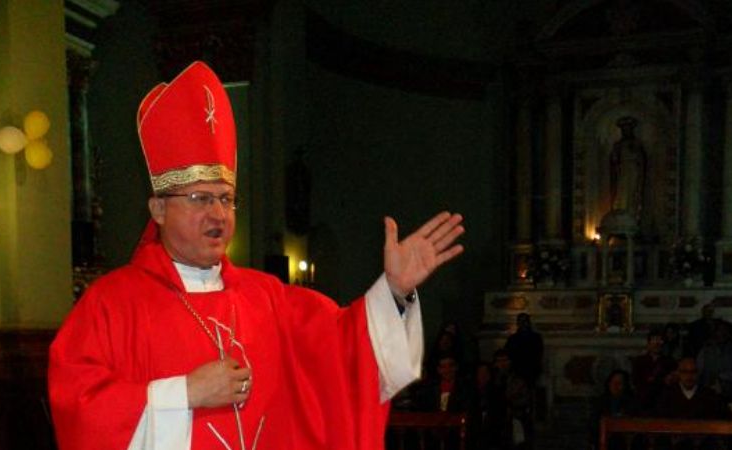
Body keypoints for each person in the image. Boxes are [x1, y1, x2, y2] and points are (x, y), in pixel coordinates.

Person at [48, 61, 465, 450]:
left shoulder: (269, 298)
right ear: (158, 209)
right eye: (199, 198)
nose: (218, 214)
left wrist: (394, 290)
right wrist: (184, 394)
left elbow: (345, 352)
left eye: (226, 199)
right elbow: (80, 411)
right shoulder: (111, 305)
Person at [609, 116, 647, 220]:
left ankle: (632, 214)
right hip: (621, 172)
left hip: (633, 171)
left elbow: (641, 160)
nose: (626, 131)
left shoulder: (637, 144)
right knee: (621, 193)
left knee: (632, 192)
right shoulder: (618, 145)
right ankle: (620, 213)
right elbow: (614, 160)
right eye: (624, 129)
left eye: (628, 129)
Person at [588, 369, 637, 450]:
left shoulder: (631, 402)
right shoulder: (601, 401)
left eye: (619, 383)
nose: (615, 385)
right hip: (604, 441)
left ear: (625, 385)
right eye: (613, 382)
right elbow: (594, 422)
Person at [504, 313, 544, 388]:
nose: (523, 323)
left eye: (525, 321)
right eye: (521, 321)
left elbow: (538, 354)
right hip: (517, 369)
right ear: (518, 323)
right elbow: (508, 353)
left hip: (531, 369)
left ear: (529, 322)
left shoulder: (536, 337)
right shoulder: (512, 338)